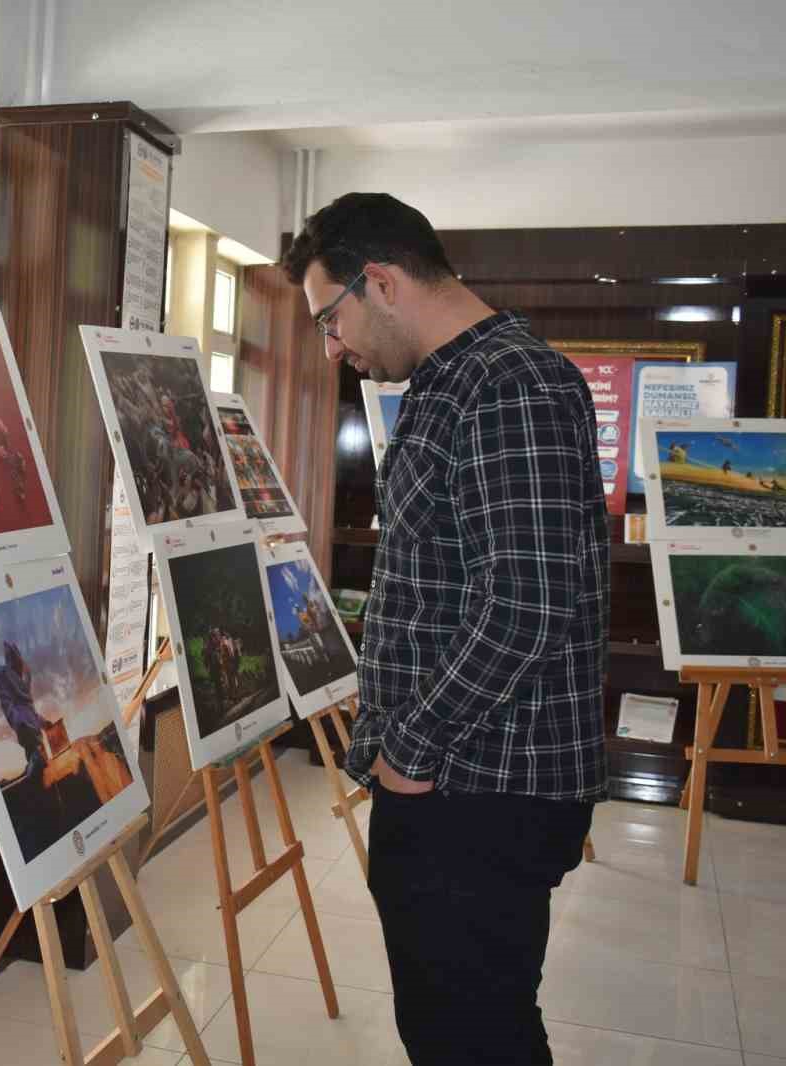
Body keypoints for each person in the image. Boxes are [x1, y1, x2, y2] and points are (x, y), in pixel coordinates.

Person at [280, 193, 609, 1066]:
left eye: (329, 318)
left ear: (381, 281)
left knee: (472, 1033)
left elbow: (525, 605)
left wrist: (411, 749)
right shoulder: (453, 380)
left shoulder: (508, 385)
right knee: (454, 1022)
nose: (331, 347)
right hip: (461, 776)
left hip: (480, 783)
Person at [0, 641, 45, 779]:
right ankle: (30, 778)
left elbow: (31, 709)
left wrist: (44, 722)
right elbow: (6, 703)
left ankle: (32, 775)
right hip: (24, 725)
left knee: (39, 758)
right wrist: (18, 722)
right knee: (36, 758)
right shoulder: (4, 673)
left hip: (33, 727)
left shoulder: (23, 682)